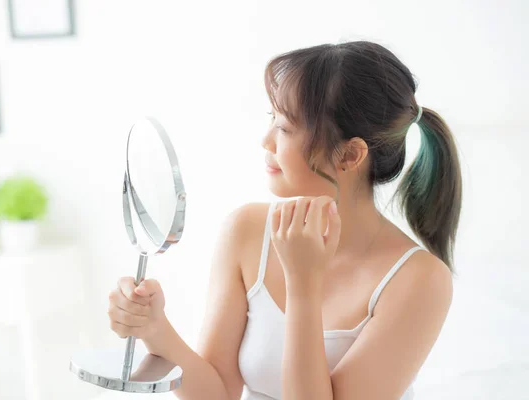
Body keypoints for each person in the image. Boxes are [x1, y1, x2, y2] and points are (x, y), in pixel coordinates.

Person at [108, 40, 462, 400]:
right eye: (271, 119)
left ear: (350, 154)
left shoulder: (420, 280)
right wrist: (156, 329)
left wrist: (303, 284)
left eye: (286, 128)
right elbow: (218, 393)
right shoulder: (246, 230)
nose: (266, 141)